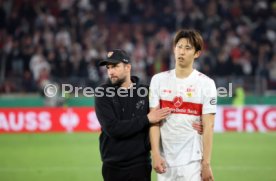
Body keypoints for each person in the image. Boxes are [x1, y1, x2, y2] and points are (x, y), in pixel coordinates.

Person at [149, 29, 217, 181]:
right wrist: (155, 154)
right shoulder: (158, 80)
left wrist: (206, 164)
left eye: (188, 48)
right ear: (174, 49)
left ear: (197, 53)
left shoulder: (206, 83)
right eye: (179, 46)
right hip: (165, 161)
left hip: (192, 162)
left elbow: (209, 125)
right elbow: (154, 121)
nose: (182, 51)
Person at [95, 49, 172, 181]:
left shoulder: (146, 91)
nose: (110, 71)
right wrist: (146, 119)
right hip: (113, 167)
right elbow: (112, 129)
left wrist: (197, 122)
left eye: (115, 66)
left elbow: (165, 115)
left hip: (140, 165)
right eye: (108, 67)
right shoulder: (102, 92)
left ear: (128, 67)